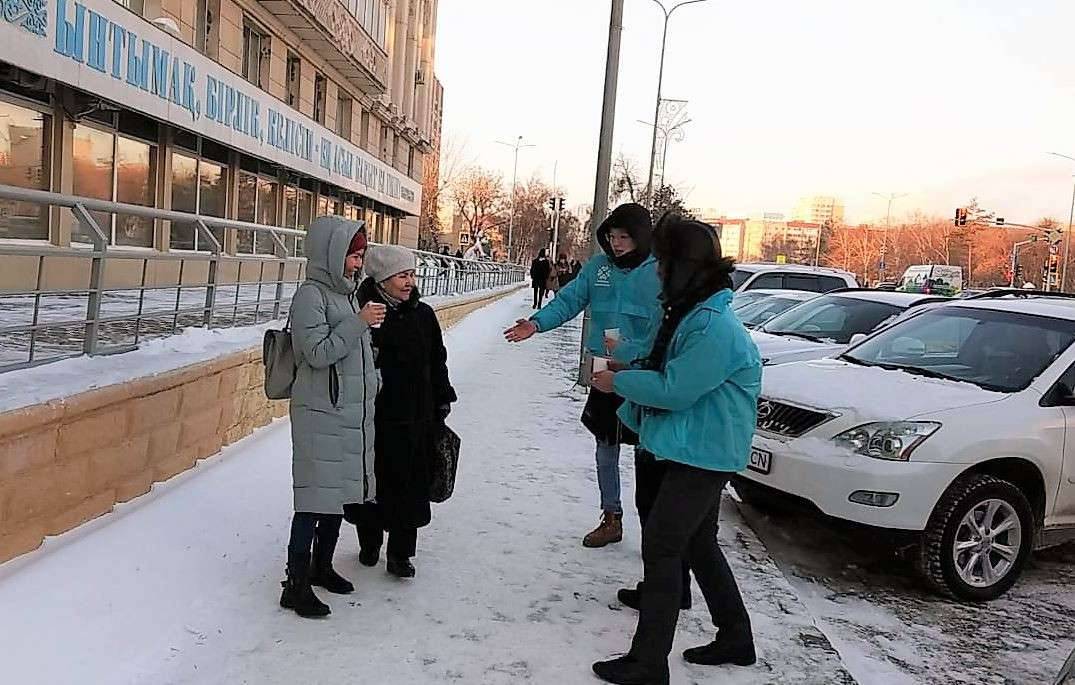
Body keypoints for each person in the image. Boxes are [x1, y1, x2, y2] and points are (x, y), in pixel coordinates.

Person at [590, 215, 761, 684]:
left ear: (685, 266)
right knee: (698, 544)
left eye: (665, 263)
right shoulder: (692, 311)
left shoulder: (711, 324)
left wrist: (617, 381)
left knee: (664, 546)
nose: (659, 272)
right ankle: (736, 637)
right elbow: (669, 366)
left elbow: (675, 388)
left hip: (703, 454)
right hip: (694, 446)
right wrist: (630, 365)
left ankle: (648, 663)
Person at [505, 203, 661, 548]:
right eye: (612, 236)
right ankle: (611, 516)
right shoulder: (598, 267)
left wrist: (634, 352)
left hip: (642, 369)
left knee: (647, 452)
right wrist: (536, 323)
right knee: (605, 444)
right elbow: (569, 300)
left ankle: (655, 532)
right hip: (603, 366)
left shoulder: (657, 271)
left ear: (641, 237)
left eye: (625, 237)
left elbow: (665, 325)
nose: (617, 243)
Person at [282, 217, 385, 619]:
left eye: (360, 256)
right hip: (319, 413)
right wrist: (358, 323)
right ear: (332, 254)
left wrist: (373, 380)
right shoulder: (312, 295)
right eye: (353, 256)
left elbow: (354, 354)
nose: (358, 264)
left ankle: (321, 566)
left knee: (335, 496)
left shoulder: (346, 294)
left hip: (345, 413)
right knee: (312, 499)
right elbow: (317, 353)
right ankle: (295, 584)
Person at [345, 245, 457, 579]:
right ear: (382, 278)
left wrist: (442, 398)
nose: (410, 282)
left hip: (416, 416)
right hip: (376, 417)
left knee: (411, 487)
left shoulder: (423, 315)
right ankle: (370, 541)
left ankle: (401, 554)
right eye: (402, 276)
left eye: (411, 274)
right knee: (373, 486)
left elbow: (437, 359)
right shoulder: (364, 313)